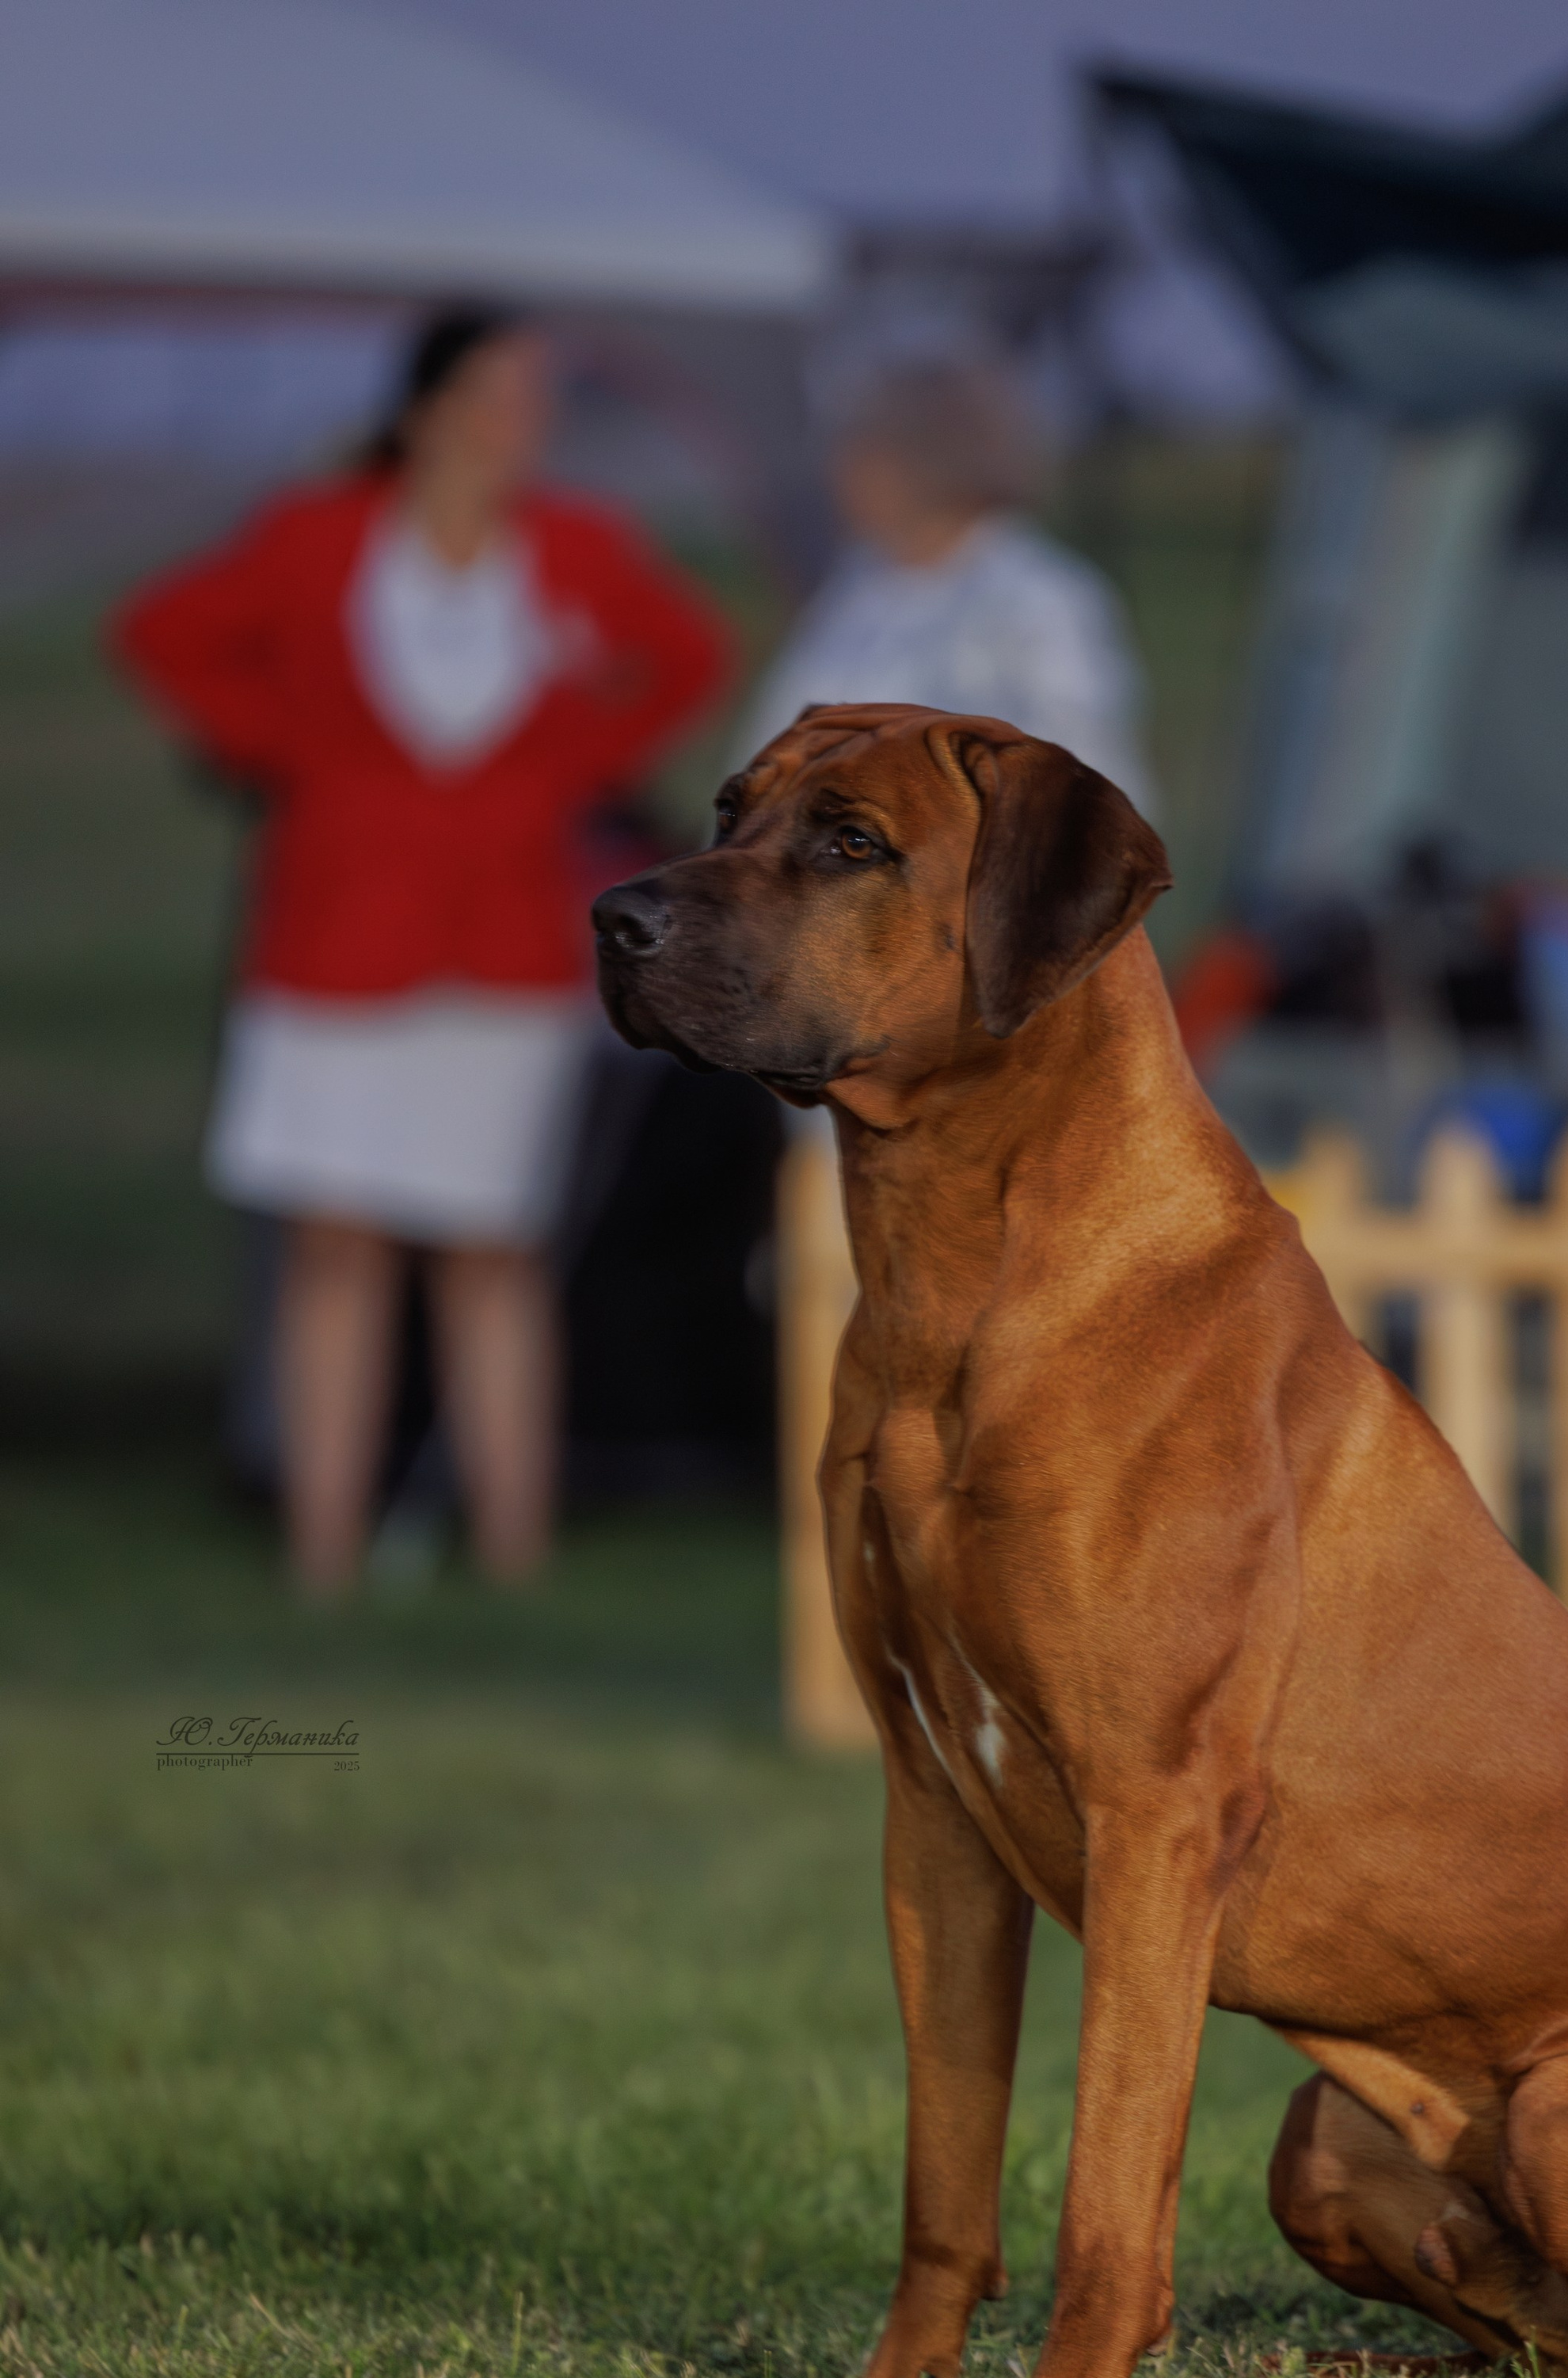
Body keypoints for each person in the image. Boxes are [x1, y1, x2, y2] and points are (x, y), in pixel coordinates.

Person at [114, 308, 733, 1592]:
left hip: (500, 937)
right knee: (335, 1245)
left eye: (534, 396)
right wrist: (294, 751)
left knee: (491, 1243)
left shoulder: (573, 546)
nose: (519, 421)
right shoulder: (320, 536)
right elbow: (162, 631)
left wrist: (563, 766)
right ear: (427, 409)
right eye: (495, 393)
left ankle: (515, 1546)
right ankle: (322, 1546)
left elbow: (687, 654)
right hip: (337, 934)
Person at [744, 356, 1151, 806]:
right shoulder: (861, 585)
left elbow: (1086, 783)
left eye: (860, 454)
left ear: (921, 460)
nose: (837, 476)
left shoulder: (1040, 602)